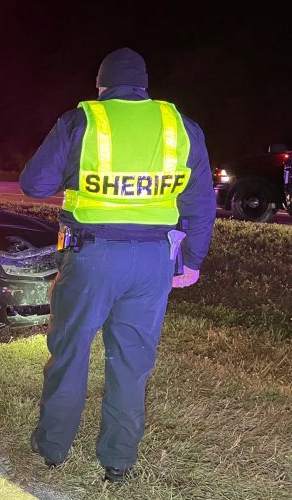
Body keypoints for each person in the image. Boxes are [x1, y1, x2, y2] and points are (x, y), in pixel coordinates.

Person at [20, 47, 215, 483]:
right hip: (154, 262)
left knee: (70, 352)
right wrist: (194, 261)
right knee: (132, 361)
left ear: (101, 85)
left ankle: (52, 448)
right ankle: (118, 461)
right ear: (144, 85)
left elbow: (34, 184)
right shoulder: (179, 126)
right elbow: (201, 203)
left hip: (91, 254)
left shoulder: (81, 120)